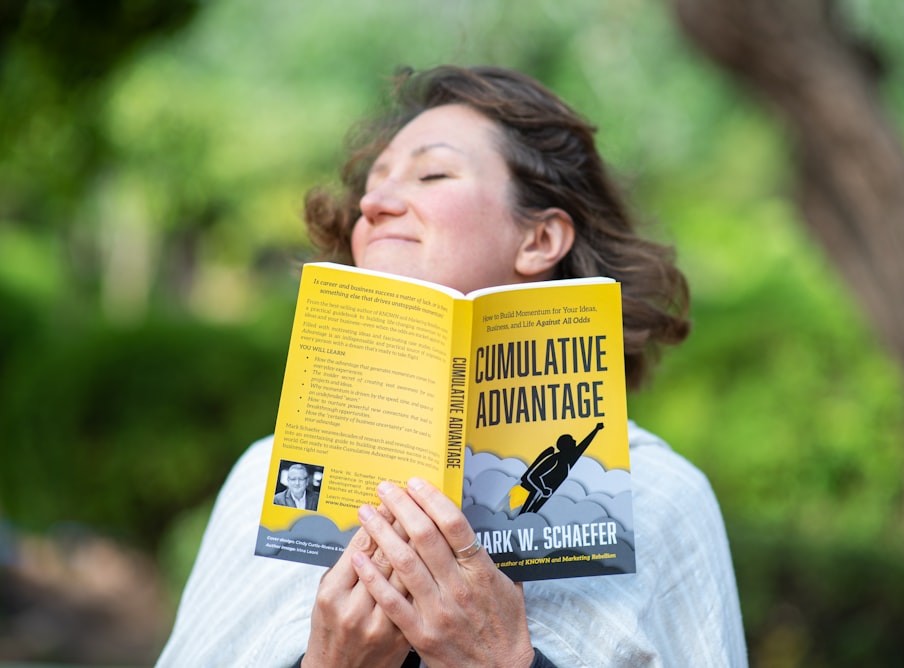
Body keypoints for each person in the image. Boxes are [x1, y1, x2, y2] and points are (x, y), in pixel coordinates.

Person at [156, 65, 747, 667]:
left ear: (540, 240)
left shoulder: (661, 500)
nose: (374, 202)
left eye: (432, 173)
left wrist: (498, 660)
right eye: (374, 183)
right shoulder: (266, 481)